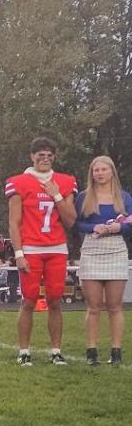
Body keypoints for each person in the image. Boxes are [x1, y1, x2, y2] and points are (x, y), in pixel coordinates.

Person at [5, 137, 78, 365]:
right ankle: (24, 351)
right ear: (32, 156)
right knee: (28, 300)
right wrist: (19, 254)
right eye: (40, 154)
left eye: (49, 154)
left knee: (55, 300)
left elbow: (71, 220)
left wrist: (56, 194)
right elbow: (14, 222)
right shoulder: (19, 182)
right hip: (31, 248)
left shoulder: (64, 181)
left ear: (54, 157)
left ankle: (56, 351)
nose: (44, 158)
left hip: (57, 248)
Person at [74, 155, 131, 365]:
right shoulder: (83, 197)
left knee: (115, 306)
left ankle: (116, 351)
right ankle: (92, 351)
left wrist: (120, 227)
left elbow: (130, 222)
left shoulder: (124, 197)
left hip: (116, 249)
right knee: (94, 306)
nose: (99, 174)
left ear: (111, 172)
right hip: (92, 249)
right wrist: (92, 227)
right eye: (96, 170)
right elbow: (77, 223)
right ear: (92, 173)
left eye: (103, 170)